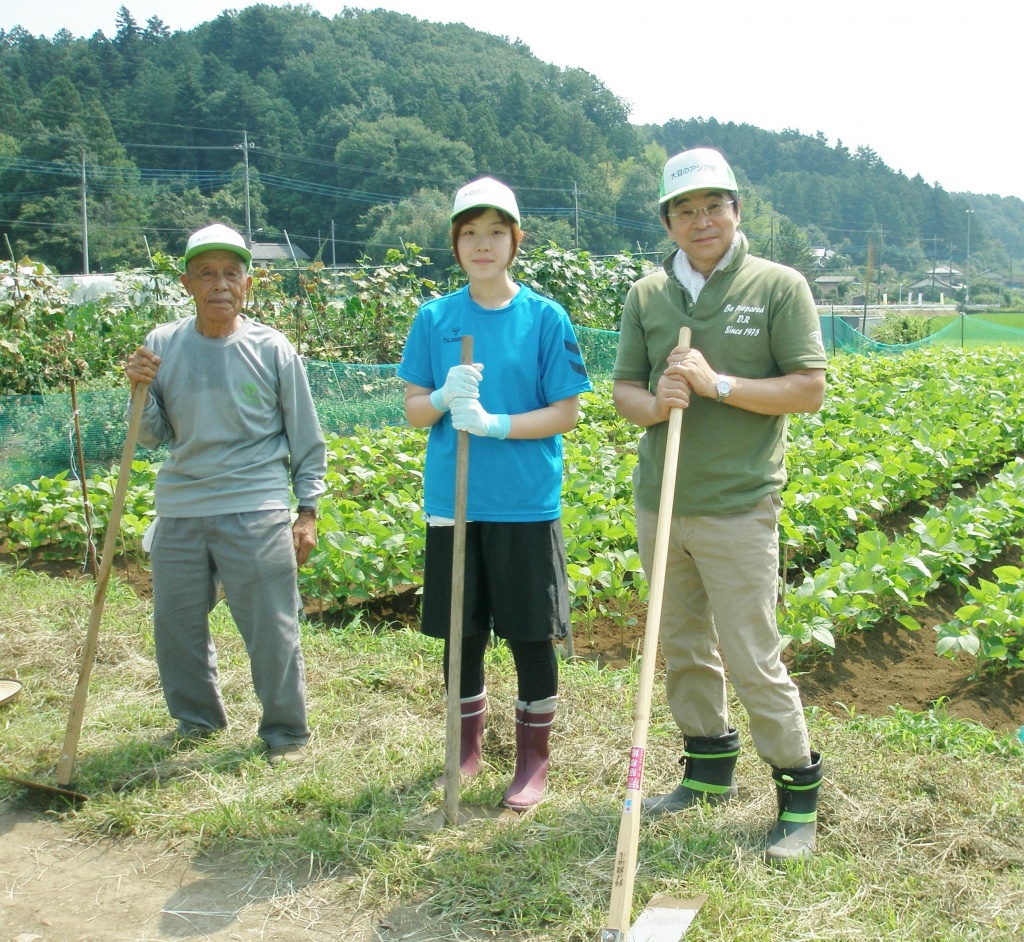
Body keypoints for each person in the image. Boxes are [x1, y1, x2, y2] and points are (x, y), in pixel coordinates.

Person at [612, 148, 827, 861]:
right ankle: (707, 772)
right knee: (681, 645)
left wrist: (716, 384)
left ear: (737, 210)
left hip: (739, 506)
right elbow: (625, 394)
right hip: (662, 502)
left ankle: (797, 799)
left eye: (714, 206)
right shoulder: (647, 296)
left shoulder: (778, 286)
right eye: (685, 210)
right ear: (668, 222)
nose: (701, 220)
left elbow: (806, 390)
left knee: (752, 653)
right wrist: (658, 401)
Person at [398, 178, 592, 810]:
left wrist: (496, 423)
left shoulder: (544, 318)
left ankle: (533, 761)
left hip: (523, 500)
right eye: (470, 234)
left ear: (516, 240)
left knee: (531, 633)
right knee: (462, 632)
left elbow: (566, 412)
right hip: (454, 503)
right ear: (455, 243)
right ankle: (466, 750)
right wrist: (442, 397)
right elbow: (412, 412)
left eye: (496, 233)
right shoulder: (435, 318)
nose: (483, 245)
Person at [125, 223, 327, 767]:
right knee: (176, 626)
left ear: (248, 283)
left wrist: (306, 511)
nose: (220, 284)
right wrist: (138, 387)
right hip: (181, 508)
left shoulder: (272, 348)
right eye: (207, 273)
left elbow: (307, 439)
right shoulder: (163, 344)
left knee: (271, 628)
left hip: (256, 505)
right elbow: (151, 436)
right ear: (188, 282)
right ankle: (197, 720)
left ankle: (286, 732)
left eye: (231, 273)